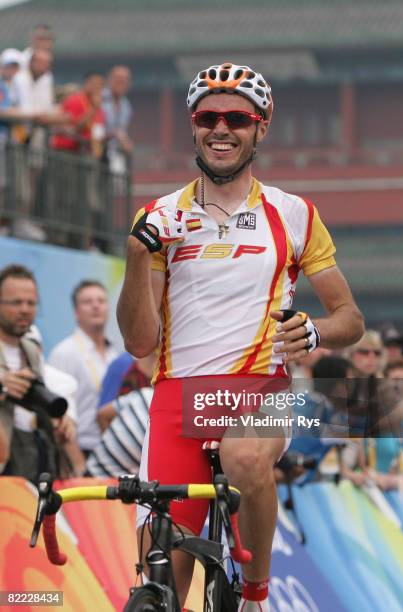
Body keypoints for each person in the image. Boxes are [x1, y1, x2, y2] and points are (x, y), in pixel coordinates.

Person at [117, 62, 364, 611]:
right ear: (193, 125)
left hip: (260, 394)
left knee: (246, 458)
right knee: (160, 591)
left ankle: (255, 598)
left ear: (261, 127)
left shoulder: (294, 214)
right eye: (208, 118)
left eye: (237, 118)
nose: (221, 128)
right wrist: (137, 255)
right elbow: (139, 343)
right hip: (178, 404)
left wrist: (315, 330)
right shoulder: (158, 217)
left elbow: (350, 318)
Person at [0, 264, 74, 482]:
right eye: (16, 302)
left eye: (31, 303)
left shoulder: (31, 350)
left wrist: (60, 420)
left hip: (33, 456)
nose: (25, 309)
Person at [48, 280, 117, 455]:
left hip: (116, 453)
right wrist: (76, 460)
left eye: (101, 301)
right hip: (83, 451)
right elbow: (58, 413)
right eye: (87, 302)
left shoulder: (115, 353)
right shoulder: (64, 353)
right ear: (76, 312)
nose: (96, 306)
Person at [51, 72, 106, 158]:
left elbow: (98, 130)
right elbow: (76, 127)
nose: (97, 88)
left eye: (100, 85)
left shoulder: (99, 108)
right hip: (65, 151)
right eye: (95, 84)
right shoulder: (75, 100)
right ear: (87, 83)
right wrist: (93, 110)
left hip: (86, 152)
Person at [102, 65, 133, 173]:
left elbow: (122, 131)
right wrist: (114, 134)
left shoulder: (126, 106)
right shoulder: (99, 99)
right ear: (110, 80)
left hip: (114, 152)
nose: (121, 83)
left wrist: (126, 142)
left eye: (124, 81)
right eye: (118, 80)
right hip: (96, 150)